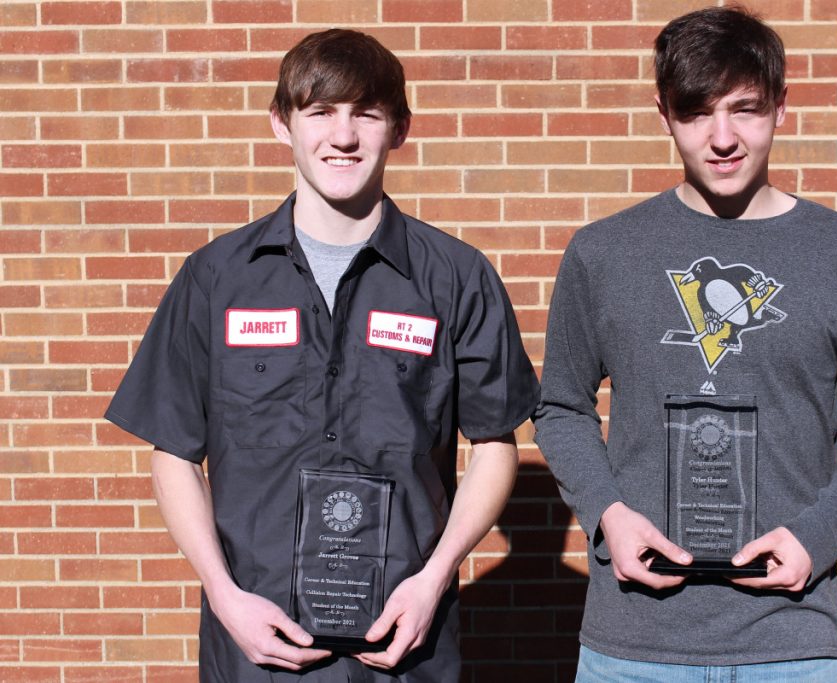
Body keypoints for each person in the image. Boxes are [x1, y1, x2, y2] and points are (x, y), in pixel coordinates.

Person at [105, 28, 539, 682]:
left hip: (402, 645)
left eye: (366, 113)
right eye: (320, 113)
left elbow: (495, 443)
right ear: (283, 125)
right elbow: (172, 451)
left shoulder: (456, 278)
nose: (342, 137)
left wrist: (434, 578)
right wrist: (224, 594)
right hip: (255, 642)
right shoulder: (216, 278)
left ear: (399, 128)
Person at [533, 6, 837, 681]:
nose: (722, 137)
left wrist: (816, 535)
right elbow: (561, 405)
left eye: (744, 109)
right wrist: (607, 515)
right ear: (663, 113)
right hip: (633, 643)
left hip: (789, 641)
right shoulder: (602, 253)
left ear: (781, 105)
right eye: (696, 112)